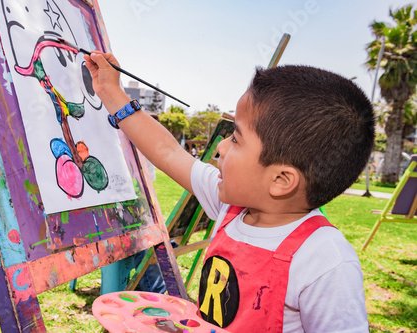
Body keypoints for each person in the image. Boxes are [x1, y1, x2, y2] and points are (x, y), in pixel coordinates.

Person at [84, 51, 373, 332]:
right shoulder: (231, 208)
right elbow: (168, 152)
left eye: (236, 139)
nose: (220, 147)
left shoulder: (325, 261)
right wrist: (111, 92)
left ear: (281, 180)